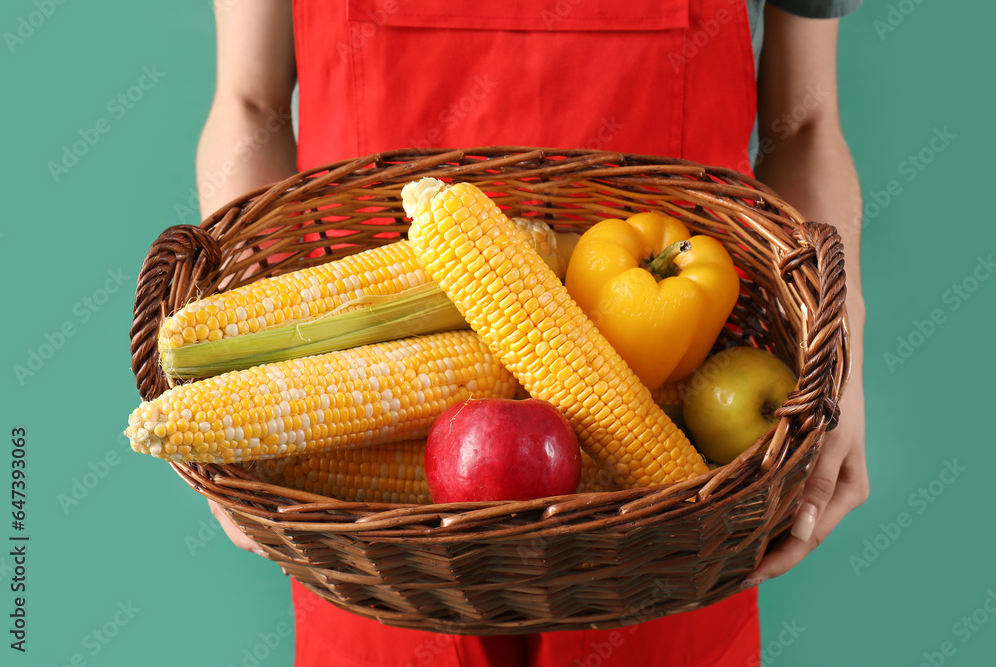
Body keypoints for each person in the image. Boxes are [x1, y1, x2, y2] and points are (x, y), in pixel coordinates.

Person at [197, 1, 869, 664]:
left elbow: (804, 125)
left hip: (665, 507)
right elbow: (250, 105)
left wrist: (842, 344)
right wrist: (235, 386)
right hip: (379, 525)